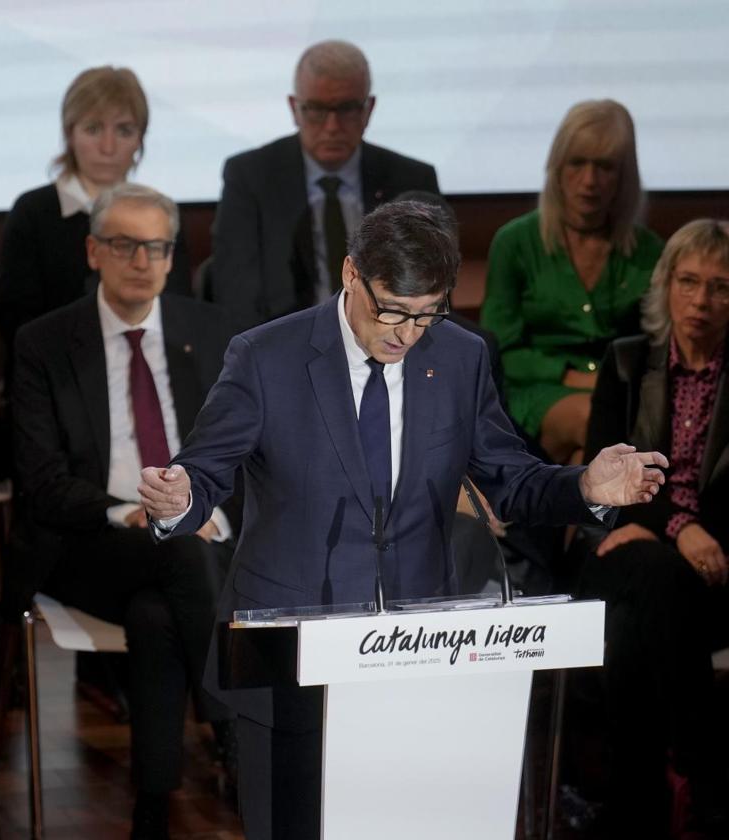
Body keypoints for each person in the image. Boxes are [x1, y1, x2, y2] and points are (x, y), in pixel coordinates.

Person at [138, 200, 669, 839]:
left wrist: (584, 484)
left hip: (413, 653)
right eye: (390, 309)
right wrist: (178, 500)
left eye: (426, 315)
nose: (405, 333)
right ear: (351, 274)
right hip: (288, 652)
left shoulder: (461, 357)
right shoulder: (264, 357)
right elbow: (205, 471)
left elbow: (512, 479)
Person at [11, 184, 235, 839]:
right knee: (181, 554)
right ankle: (235, 735)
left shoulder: (214, 333)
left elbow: (250, 454)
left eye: (156, 247)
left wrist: (208, 513)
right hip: (90, 542)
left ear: (172, 258)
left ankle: (151, 803)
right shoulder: (45, 344)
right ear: (93, 252)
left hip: (196, 539)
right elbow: (41, 480)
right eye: (123, 245)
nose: (141, 260)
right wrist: (125, 512)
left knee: (159, 608)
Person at [575, 219, 729, 838]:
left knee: (645, 622)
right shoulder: (626, 361)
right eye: (687, 283)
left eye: (720, 287)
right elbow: (600, 478)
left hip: (716, 562)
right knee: (658, 581)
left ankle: (629, 804)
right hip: (622, 545)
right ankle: (701, 776)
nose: (700, 301)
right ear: (665, 286)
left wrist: (684, 533)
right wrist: (678, 528)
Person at [209, 40, 439, 329]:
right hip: (286, 345)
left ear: (368, 109)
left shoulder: (411, 181)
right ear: (295, 109)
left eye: (346, 109)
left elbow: (430, 295)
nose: (332, 126)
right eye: (316, 109)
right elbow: (236, 295)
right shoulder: (251, 177)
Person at [481, 100, 663, 465]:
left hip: (619, 395)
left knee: (587, 455)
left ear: (625, 176)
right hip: (533, 390)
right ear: (557, 167)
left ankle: (582, 523)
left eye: (605, 167)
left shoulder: (649, 252)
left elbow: (657, 347)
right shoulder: (515, 242)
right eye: (577, 163)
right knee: (595, 420)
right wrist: (582, 380)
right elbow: (500, 349)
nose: (589, 181)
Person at [0, 66, 192, 373]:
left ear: (140, 139)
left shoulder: (159, 215)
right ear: (69, 133)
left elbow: (178, 315)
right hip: (58, 377)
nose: (108, 147)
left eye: (124, 131)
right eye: (93, 129)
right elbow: (17, 324)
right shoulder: (33, 212)